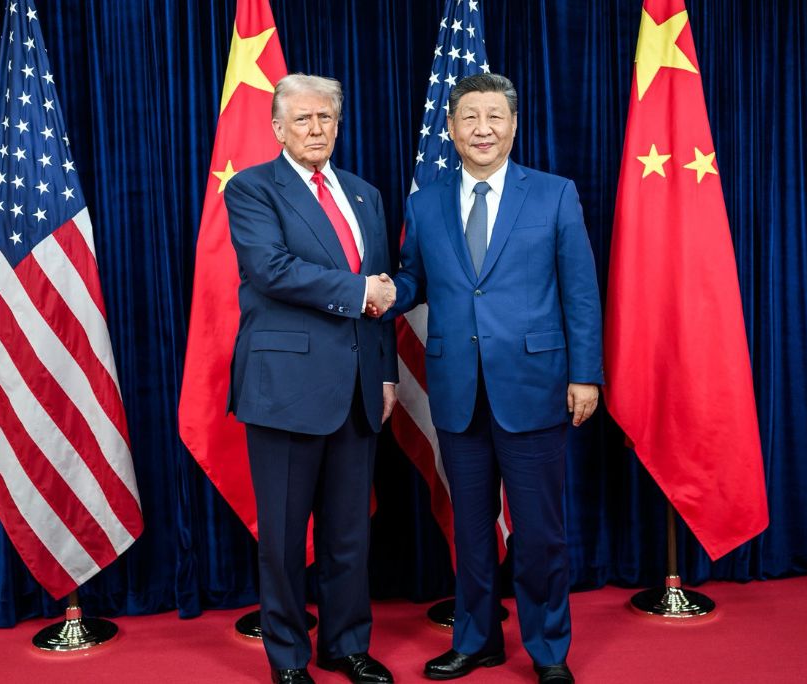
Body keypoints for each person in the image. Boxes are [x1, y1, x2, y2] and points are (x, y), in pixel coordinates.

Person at [386, 73, 602, 683]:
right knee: (472, 533)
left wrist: (586, 374)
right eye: (469, 118)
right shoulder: (425, 202)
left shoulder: (554, 195)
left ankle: (549, 649)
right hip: (456, 392)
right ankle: (476, 639)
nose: (482, 129)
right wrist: (377, 293)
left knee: (540, 536)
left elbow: (579, 293)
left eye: (494, 117)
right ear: (450, 129)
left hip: (536, 388)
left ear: (512, 125)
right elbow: (414, 281)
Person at [223, 73, 398, 684]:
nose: (317, 129)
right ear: (277, 129)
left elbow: (378, 293)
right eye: (303, 119)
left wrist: (384, 373)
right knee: (283, 539)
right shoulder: (251, 190)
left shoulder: (365, 194)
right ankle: (289, 658)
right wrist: (358, 291)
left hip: (357, 390)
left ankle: (346, 645)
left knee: (350, 535)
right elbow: (270, 269)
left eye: (326, 118)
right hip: (285, 388)